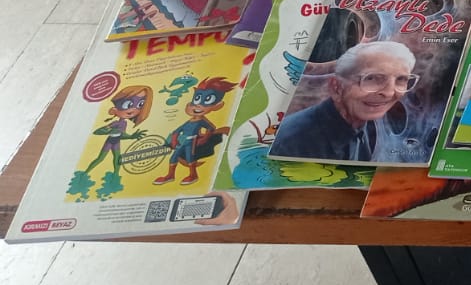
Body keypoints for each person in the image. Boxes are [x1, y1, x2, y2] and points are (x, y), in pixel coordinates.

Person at [271, 42, 419, 163]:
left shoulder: (369, 124)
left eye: (401, 79)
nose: (389, 92)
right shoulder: (291, 145)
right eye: (371, 78)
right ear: (336, 87)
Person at [154, 77, 236, 185]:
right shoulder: (190, 121)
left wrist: (204, 138)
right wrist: (174, 138)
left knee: (190, 158)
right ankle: (170, 175)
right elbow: (178, 130)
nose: (198, 105)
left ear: (217, 105)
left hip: (191, 142)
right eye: (197, 99)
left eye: (207, 100)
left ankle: (193, 175)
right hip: (182, 142)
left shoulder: (201, 121)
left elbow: (211, 128)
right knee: (173, 157)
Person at [85, 85, 153, 174]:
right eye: (128, 104)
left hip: (116, 142)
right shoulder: (115, 123)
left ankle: (116, 175)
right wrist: (110, 130)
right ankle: (85, 173)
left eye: (140, 104)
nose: (134, 110)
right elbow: (97, 132)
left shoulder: (124, 123)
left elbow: (122, 135)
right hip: (109, 141)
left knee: (117, 159)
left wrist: (132, 136)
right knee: (100, 158)